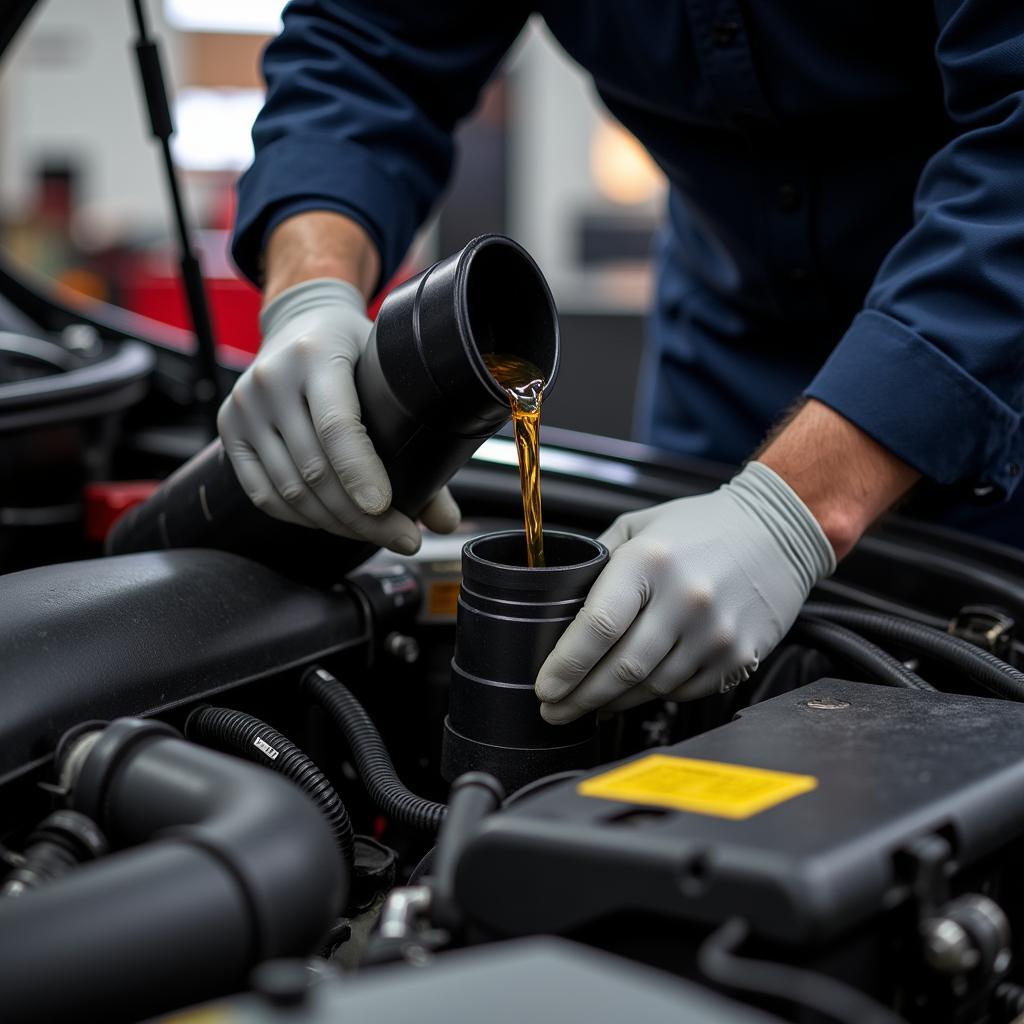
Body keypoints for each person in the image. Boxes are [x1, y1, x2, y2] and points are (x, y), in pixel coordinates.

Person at [223, 2, 1024, 724]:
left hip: (997, 358)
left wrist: (791, 511)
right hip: (725, 356)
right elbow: (365, 46)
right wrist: (309, 292)